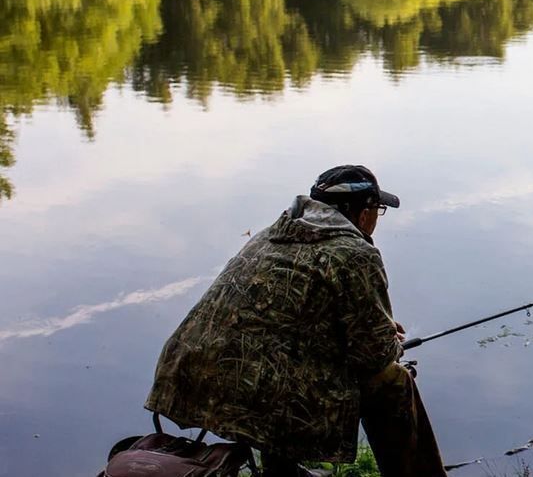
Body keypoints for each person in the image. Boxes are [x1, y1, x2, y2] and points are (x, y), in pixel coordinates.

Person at [145, 165, 447, 477]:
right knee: (393, 382)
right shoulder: (355, 252)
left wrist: (372, 328)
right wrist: (388, 342)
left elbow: (284, 324)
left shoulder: (271, 235)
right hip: (254, 386)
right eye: (378, 209)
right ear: (362, 212)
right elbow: (373, 356)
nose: (376, 219)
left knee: (277, 367)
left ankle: (283, 471)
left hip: (185, 375)